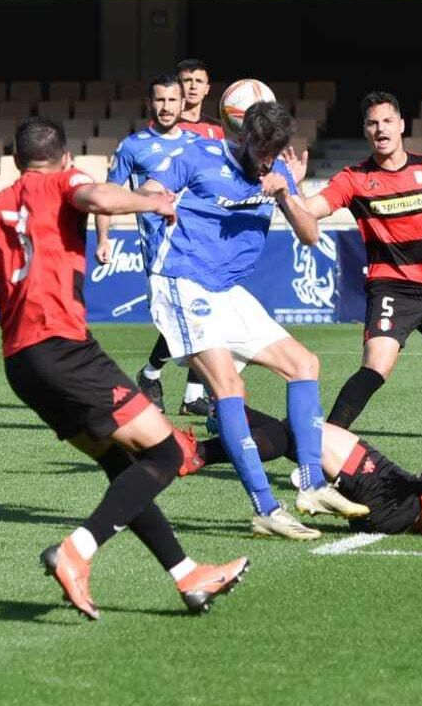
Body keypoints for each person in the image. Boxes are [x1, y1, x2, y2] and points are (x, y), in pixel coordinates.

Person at [0, 116, 249, 620]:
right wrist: (155, 202)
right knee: (164, 454)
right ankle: (76, 552)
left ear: (15, 161)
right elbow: (97, 200)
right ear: (66, 158)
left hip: (22, 365)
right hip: (66, 351)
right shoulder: (65, 182)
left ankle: (187, 576)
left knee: (122, 468)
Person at [140, 100, 366, 540]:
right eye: (261, 149)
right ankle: (266, 507)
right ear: (242, 137)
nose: (266, 158)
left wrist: (285, 193)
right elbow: (150, 189)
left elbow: (310, 233)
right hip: (183, 283)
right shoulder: (198, 156)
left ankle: (312, 485)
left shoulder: (276, 172)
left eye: (274, 150)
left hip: (228, 291)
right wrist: (156, 204)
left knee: (304, 365)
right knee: (229, 387)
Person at [297, 91, 422, 437]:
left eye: (388, 121)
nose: (381, 129)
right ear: (365, 131)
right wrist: (292, 188)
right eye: (373, 123)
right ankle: (324, 447)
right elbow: (309, 211)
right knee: (376, 365)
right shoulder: (353, 179)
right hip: (392, 288)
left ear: (402, 125)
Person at [188, 379, 422, 537]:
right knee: (300, 436)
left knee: (305, 433)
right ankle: (224, 425)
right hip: (407, 507)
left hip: (403, 500)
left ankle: (207, 442)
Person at [94, 73, 211, 417]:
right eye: (159, 100)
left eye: (172, 100)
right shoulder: (133, 146)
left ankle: (186, 392)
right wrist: (104, 237)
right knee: (176, 320)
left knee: (201, 315)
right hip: (159, 248)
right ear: (151, 103)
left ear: (182, 103)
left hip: (198, 246)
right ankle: (154, 375)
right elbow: (108, 195)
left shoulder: (196, 144)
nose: (165, 106)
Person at [173, 57, 225, 144]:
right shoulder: (165, 124)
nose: (193, 86)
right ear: (177, 86)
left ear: (207, 89)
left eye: (199, 81)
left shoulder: (216, 127)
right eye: (187, 81)